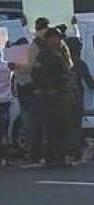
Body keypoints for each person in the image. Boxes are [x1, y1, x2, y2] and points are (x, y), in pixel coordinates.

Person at [34, 28, 74, 168]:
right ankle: (52, 157)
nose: (58, 41)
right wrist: (49, 89)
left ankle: (62, 156)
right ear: (49, 39)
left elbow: (66, 71)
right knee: (52, 128)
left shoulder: (60, 52)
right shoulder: (44, 55)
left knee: (63, 127)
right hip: (51, 96)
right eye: (55, 38)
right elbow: (37, 74)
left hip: (62, 94)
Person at [16, 17, 48, 164]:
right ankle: (39, 152)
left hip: (31, 91)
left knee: (32, 124)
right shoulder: (41, 43)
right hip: (34, 90)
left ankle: (36, 153)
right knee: (36, 124)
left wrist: (18, 67)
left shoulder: (36, 45)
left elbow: (30, 67)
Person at [64, 35, 93, 163]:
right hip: (75, 99)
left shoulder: (62, 62)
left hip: (61, 98)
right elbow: (90, 82)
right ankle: (76, 151)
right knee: (75, 126)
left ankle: (70, 151)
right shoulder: (79, 63)